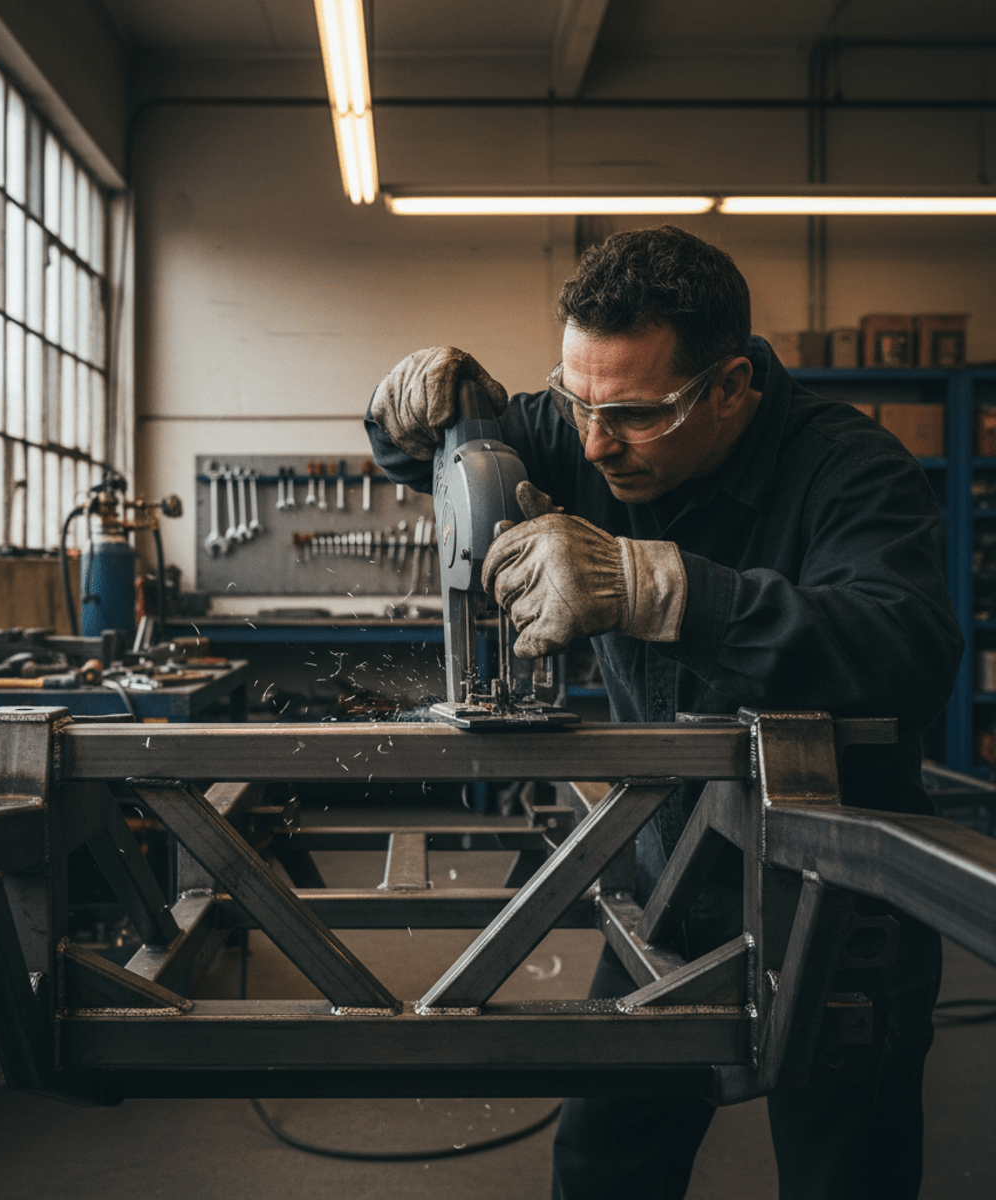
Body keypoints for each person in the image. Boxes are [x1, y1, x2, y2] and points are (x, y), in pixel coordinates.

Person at [364, 225, 962, 1199]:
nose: (596, 443)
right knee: (605, 1166)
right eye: (576, 402)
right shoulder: (585, 429)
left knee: (843, 1177)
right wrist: (411, 415)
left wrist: (663, 590)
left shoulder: (852, 468)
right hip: (665, 893)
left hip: (834, 913)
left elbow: (907, 649)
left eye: (636, 415)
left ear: (730, 385)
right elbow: (441, 452)